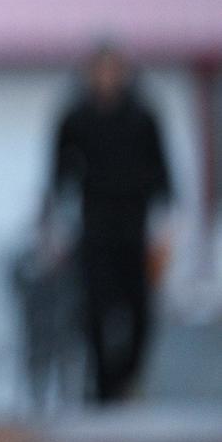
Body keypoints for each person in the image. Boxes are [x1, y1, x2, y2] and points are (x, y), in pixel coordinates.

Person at [49, 43, 171, 404]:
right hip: (94, 228)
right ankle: (103, 385)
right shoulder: (76, 118)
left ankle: (125, 375)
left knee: (142, 311)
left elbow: (162, 173)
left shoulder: (143, 118)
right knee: (94, 308)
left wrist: (165, 224)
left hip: (135, 228)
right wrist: (56, 223)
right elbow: (59, 175)